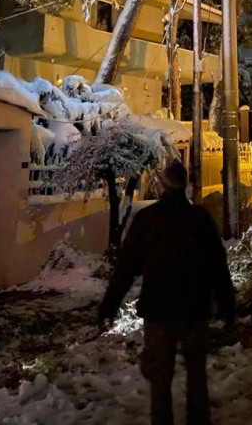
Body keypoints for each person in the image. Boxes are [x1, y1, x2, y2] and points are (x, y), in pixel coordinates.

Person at [98, 161, 235, 425]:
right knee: (197, 378)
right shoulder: (200, 219)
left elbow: (126, 268)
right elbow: (218, 265)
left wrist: (109, 305)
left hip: (159, 311)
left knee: (160, 382)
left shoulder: (147, 220)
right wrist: (226, 302)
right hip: (195, 310)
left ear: (162, 184)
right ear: (185, 185)